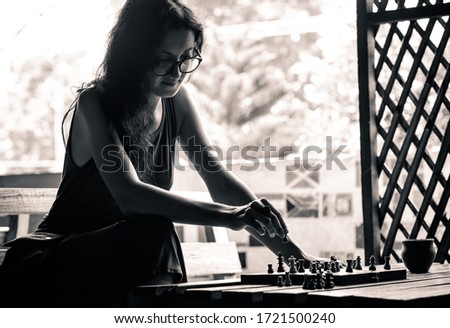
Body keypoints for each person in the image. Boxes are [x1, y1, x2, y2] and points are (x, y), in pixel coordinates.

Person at [0, 0, 318, 307]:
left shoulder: (176, 102)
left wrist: (294, 256)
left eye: (187, 58)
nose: (176, 72)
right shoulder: (94, 103)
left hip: (119, 264)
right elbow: (130, 196)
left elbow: (217, 179)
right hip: (48, 264)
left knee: (152, 233)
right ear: (134, 55)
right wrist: (230, 217)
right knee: (154, 229)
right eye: (163, 59)